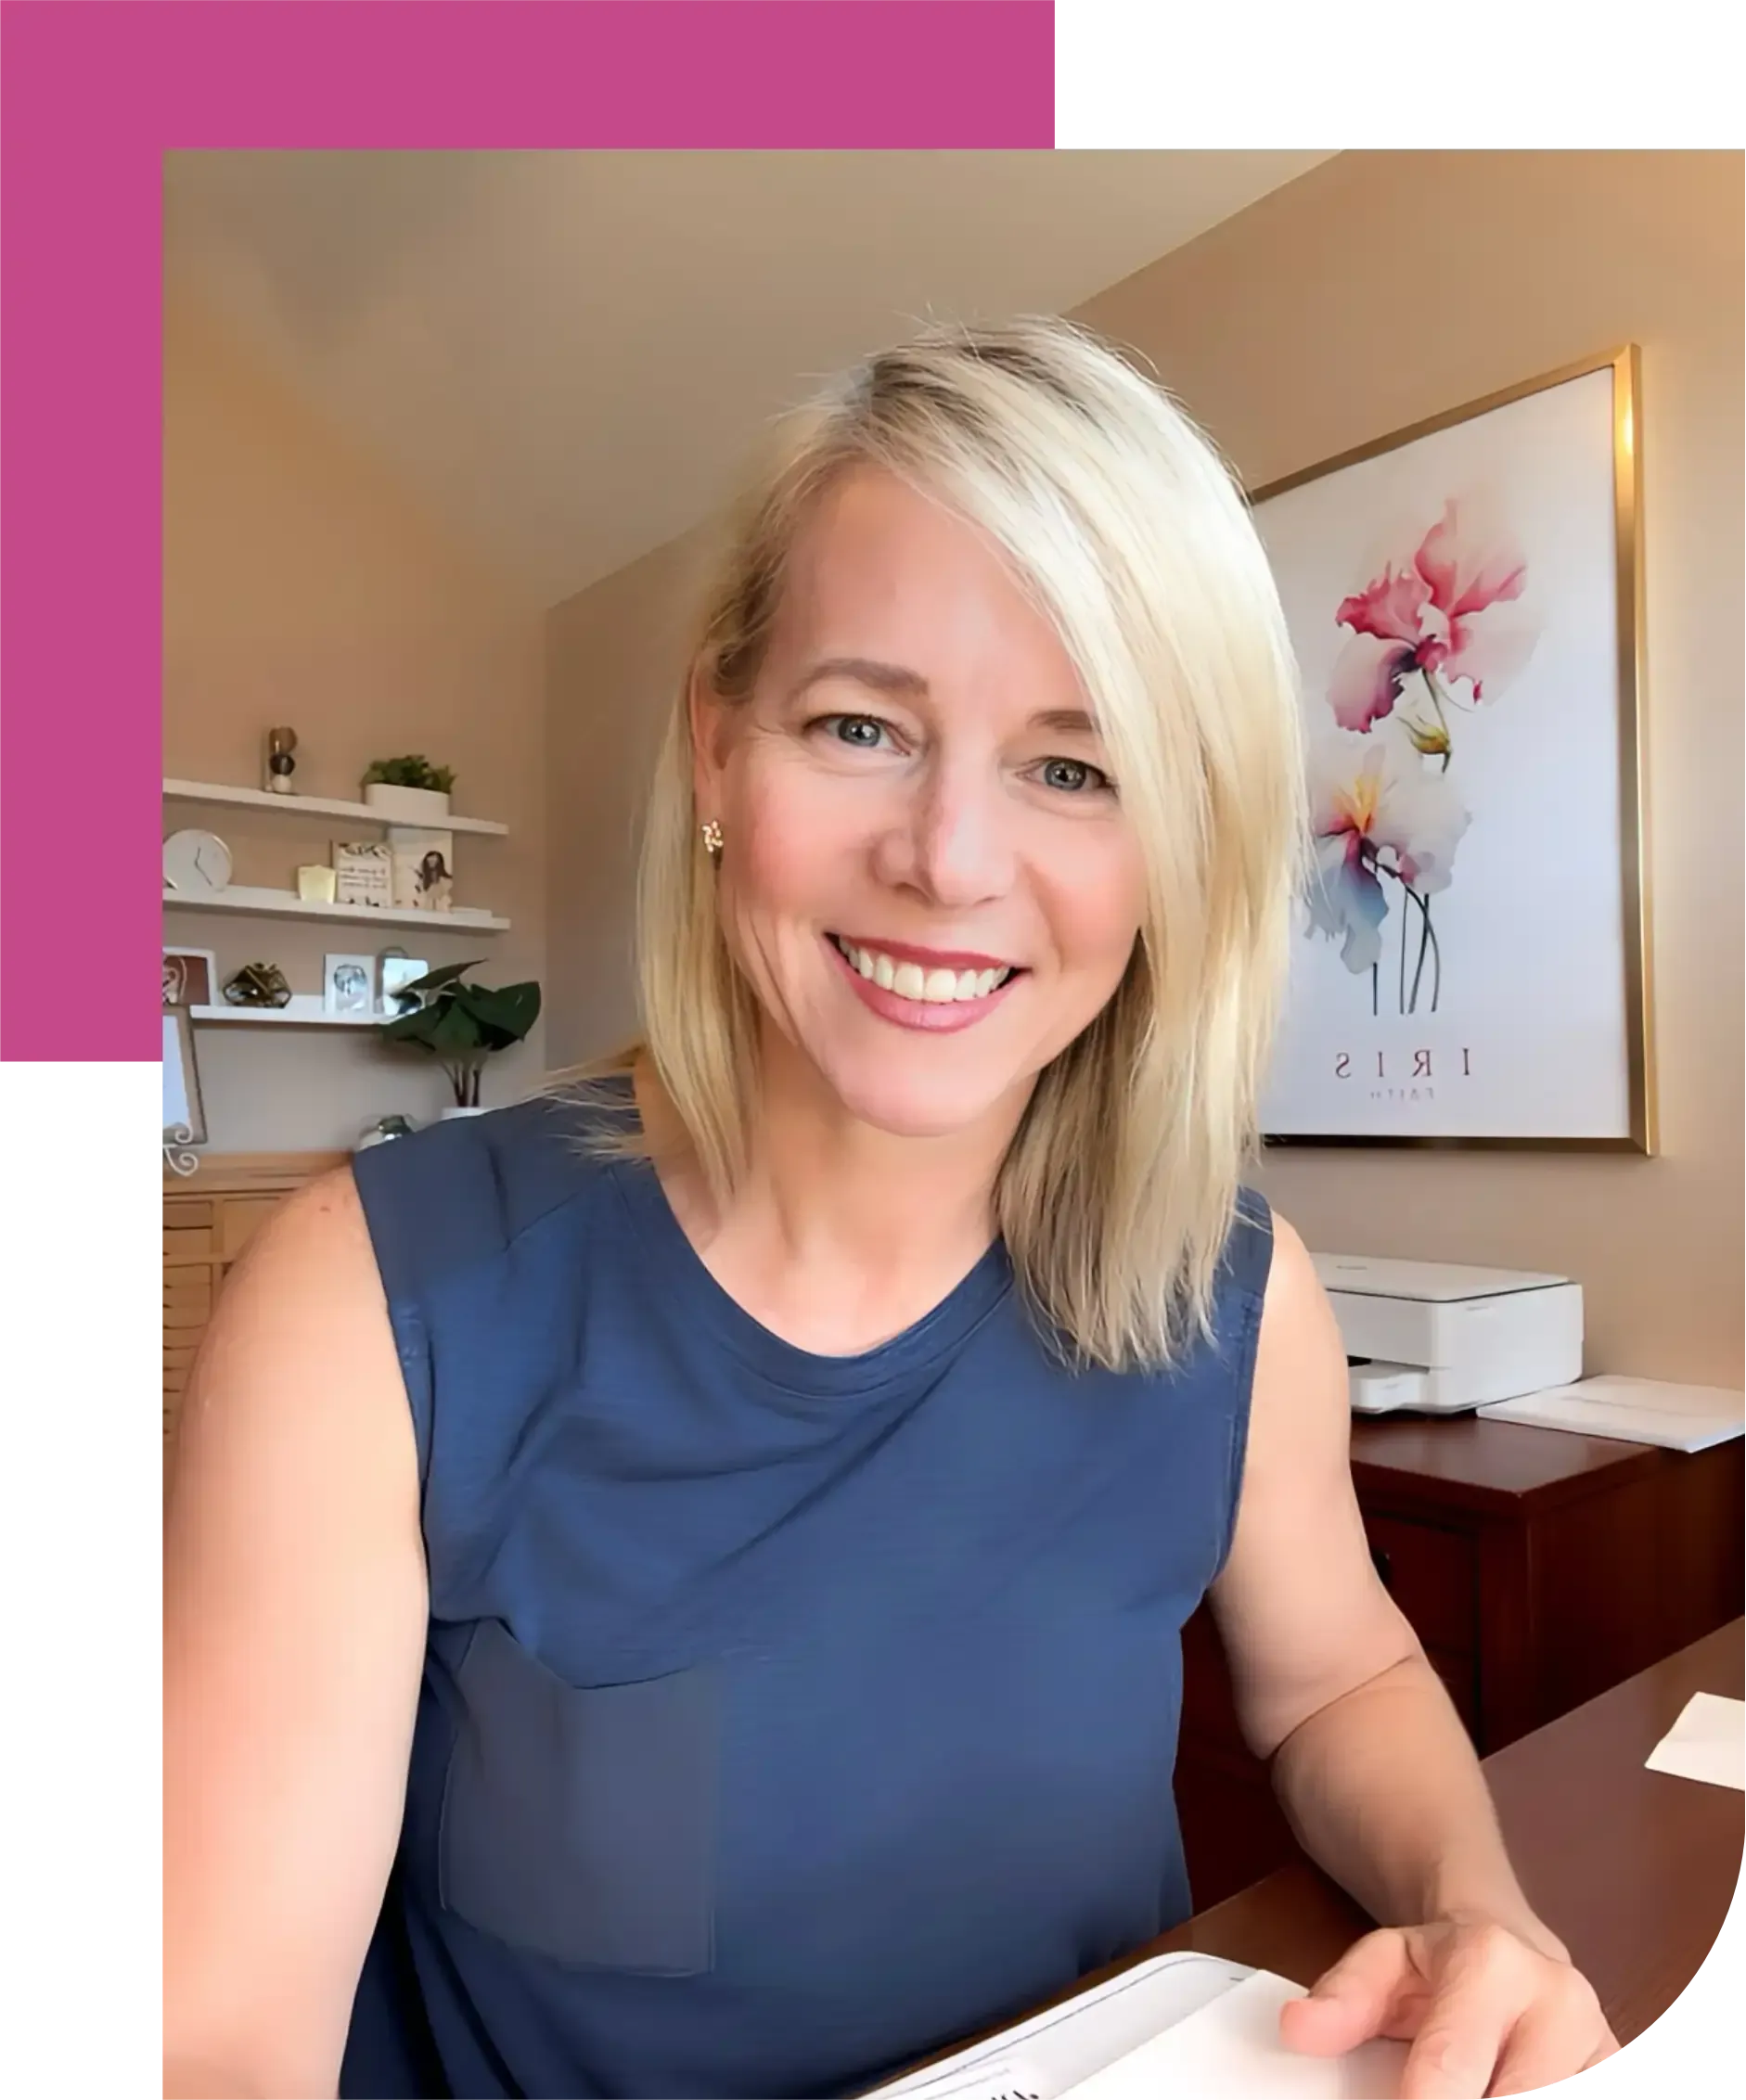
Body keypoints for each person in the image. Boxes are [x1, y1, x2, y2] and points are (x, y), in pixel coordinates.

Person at [160, 318, 1618, 2100]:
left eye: (1075, 767)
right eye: (862, 724)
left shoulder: (1230, 1299)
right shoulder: (370, 1307)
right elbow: (220, 2046)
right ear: (715, 753)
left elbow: (1334, 1680)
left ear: (1177, 849)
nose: (948, 858)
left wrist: (1478, 1909)